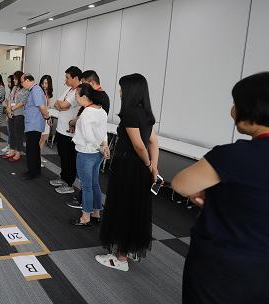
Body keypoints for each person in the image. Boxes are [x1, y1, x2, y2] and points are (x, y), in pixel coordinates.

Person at [172, 72, 269, 303]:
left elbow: (181, 184)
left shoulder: (232, 156)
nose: (232, 111)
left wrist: (207, 193)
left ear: (251, 109)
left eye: (236, 103)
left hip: (224, 266)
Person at [97, 73, 159, 272]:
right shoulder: (145, 112)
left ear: (130, 90)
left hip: (128, 167)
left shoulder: (130, 112)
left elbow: (139, 145)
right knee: (134, 209)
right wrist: (154, 166)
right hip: (138, 168)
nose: (120, 91)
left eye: (122, 87)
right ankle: (127, 250)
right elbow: (153, 142)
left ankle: (120, 259)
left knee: (123, 208)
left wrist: (148, 164)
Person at [67, 69, 110, 210]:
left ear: (84, 97)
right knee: (94, 184)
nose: (75, 99)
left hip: (86, 153)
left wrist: (100, 147)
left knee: (86, 186)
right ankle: (96, 212)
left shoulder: (86, 113)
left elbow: (88, 137)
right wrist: (104, 146)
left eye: (76, 96)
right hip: (97, 154)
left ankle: (86, 216)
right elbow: (103, 132)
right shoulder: (101, 110)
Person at [49, 66, 82, 194]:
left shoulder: (78, 91)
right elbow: (56, 103)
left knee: (70, 158)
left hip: (69, 132)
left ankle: (69, 183)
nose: (65, 80)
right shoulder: (69, 89)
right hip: (61, 129)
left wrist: (62, 105)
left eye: (67, 77)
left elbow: (62, 104)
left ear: (76, 78)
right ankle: (63, 178)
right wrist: (61, 106)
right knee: (62, 156)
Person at [21, 74, 49, 180]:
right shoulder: (34, 90)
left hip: (34, 125)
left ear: (28, 80)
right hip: (33, 124)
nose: (22, 84)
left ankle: (32, 172)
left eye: (22, 82)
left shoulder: (36, 90)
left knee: (31, 150)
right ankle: (36, 171)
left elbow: (41, 107)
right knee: (34, 149)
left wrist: (47, 117)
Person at [4, 71, 28, 162]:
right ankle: (12, 149)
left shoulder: (25, 89)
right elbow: (10, 99)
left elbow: (22, 102)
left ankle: (18, 152)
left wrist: (12, 109)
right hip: (11, 113)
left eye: (15, 79)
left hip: (19, 114)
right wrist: (9, 109)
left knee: (18, 134)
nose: (14, 80)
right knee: (12, 133)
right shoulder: (14, 87)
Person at [38, 75, 54, 162]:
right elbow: (41, 107)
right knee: (40, 138)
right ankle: (36, 158)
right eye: (43, 83)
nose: (44, 85)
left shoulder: (49, 93)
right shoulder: (40, 92)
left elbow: (48, 106)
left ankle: (38, 156)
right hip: (41, 117)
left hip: (47, 116)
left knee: (45, 137)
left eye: (46, 83)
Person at [2, 74, 16, 153]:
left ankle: (11, 146)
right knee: (10, 131)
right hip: (9, 112)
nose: (8, 84)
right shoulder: (11, 91)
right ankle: (9, 145)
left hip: (14, 113)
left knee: (12, 132)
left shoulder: (16, 91)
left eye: (10, 82)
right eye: (8, 82)